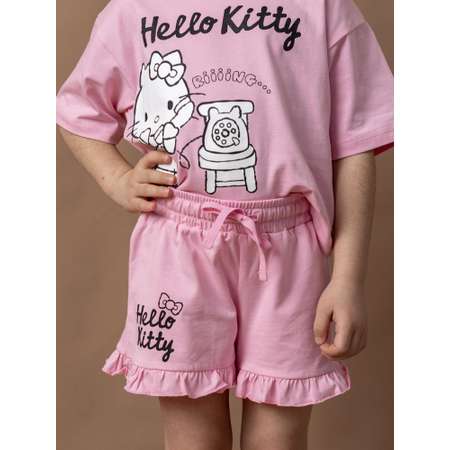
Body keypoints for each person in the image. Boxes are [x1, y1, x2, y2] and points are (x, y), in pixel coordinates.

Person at [56, 1, 393, 449]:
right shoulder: (135, 10)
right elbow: (78, 108)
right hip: (178, 249)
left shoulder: (324, 8)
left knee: (278, 438)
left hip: (288, 254)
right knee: (194, 438)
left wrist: (348, 278)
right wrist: (117, 179)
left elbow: (355, 143)